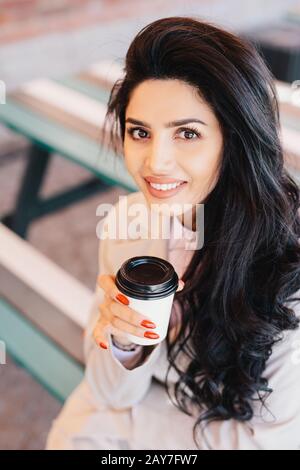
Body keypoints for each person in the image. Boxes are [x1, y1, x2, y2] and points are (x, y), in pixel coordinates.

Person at [46, 16, 300, 450]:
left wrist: (136, 435)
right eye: (139, 132)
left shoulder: (287, 266)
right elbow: (109, 392)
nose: (156, 163)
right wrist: (127, 344)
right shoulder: (129, 223)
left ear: (234, 139)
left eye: (187, 133)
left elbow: (272, 439)